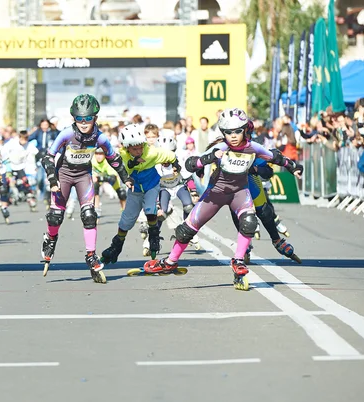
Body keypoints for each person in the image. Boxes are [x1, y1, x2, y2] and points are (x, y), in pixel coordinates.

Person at [142, 108, 303, 289]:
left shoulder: (252, 147)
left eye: (237, 132)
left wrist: (293, 166)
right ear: (223, 132)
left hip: (239, 192)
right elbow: (190, 164)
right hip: (215, 194)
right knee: (186, 229)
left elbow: (275, 157)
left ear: (244, 130)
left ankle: (239, 260)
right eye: (228, 132)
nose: (233, 136)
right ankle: (170, 261)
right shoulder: (221, 147)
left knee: (250, 222)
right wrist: (209, 157)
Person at [40, 94, 130, 283]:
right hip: (63, 175)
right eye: (79, 119)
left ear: (95, 118)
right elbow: (48, 157)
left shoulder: (100, 137)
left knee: (90, 216)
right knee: (56, 217)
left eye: (88, 118)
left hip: (83, 176)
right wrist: (52, 179)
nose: (83, 122)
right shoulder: (66, 134)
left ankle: (91, 255)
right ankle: (50, 238)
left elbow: (113, 158)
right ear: (74, 118)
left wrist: (125, 178)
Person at [101, 124, 179, 263]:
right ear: (126, 147)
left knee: (150, 209)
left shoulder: (151, 152)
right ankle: (116, 246)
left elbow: (170, 155)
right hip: (135, 190)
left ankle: (154, 236)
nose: (139, 151)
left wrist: (176, 165)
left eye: (140, 147)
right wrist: (130, 169)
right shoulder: (122, 155)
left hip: (151, 185)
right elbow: (122, 168)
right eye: (134, 149)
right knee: (126, 220)